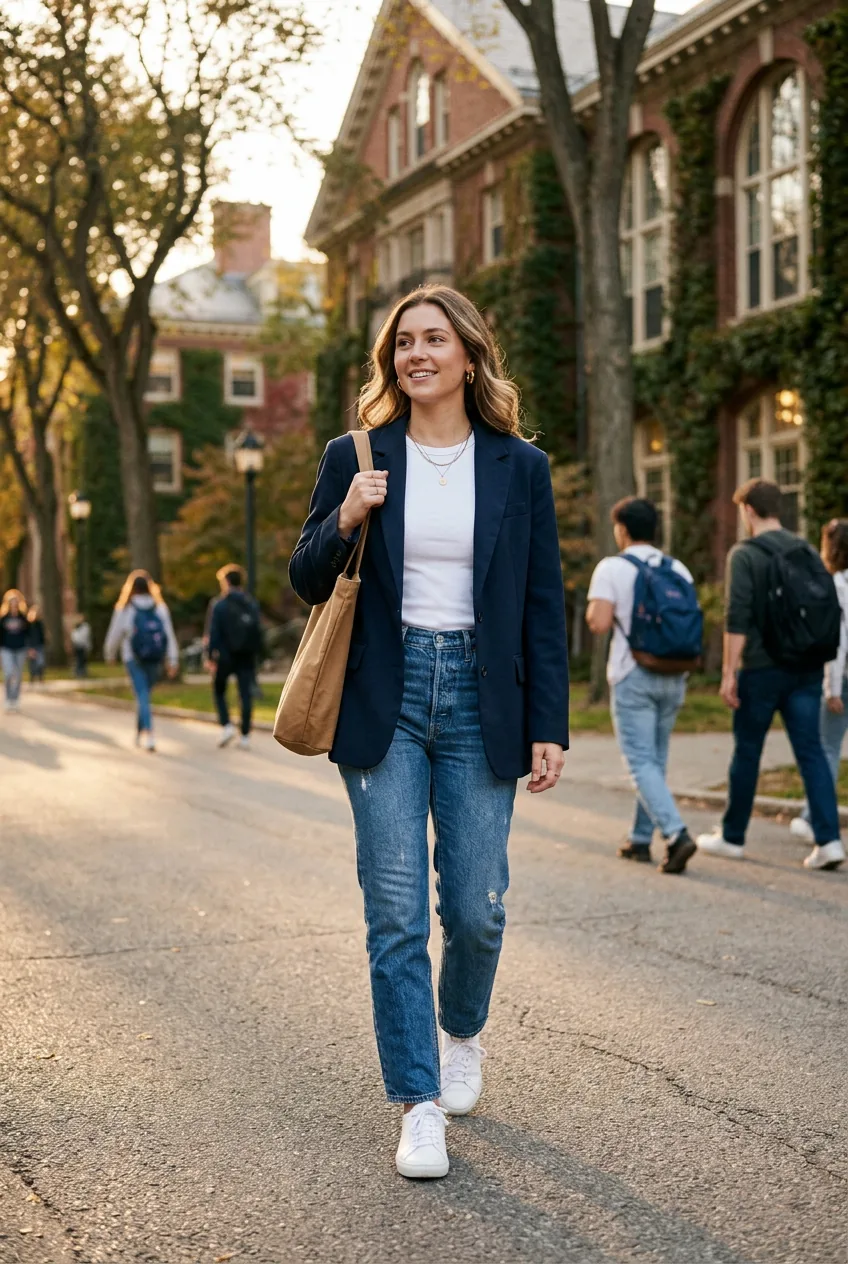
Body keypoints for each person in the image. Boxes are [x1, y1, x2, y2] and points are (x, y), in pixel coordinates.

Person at [289, 284, 568, 1180]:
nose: (416, 354)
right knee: (396, 914)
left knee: (477, 908)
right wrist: (347, 516)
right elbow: (303, 576)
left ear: (469, 354)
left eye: (433, 339)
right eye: (403, 342)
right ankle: (415, 1104)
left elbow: (541, 604)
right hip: (388, 694)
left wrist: (549, 725)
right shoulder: (356, 455)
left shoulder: (519, 467)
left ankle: (463, 1033)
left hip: (484, 697)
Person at [697, 479, 845, 871]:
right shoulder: (805, 549)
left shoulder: (745, 554)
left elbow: (737, 616)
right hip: (806, 668)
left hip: (762, 670)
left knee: (748, 751)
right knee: (811, 752)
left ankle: (732, 837)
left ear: (748, 510)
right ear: (778, 508)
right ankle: (829, 841)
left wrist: (729, 672)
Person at [586, 497, 698, 874]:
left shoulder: (613, 567)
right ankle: (638, 838)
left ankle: (676, 834)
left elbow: (599, 623)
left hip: (633, 673)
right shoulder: (678, 568)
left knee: (639, 762)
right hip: (675, 673)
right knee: (655, 760)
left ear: (622, 529)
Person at [789, 518, 848, 844]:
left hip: (844, 678)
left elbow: (838, 643)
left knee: (826, 748)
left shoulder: (835, 585)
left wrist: (832, 688)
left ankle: (814, 817)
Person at [103, 570, 179, 751]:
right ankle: (142, 731)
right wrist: (173, 659)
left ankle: (148, 733)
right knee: (144, 694)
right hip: (155, 658)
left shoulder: (125, 609)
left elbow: (115, 634)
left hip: (133, 657)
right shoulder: (159, 608)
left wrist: (109, 654)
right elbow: (169, 634)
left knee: (142, 695)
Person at [207, 565, 262, 750]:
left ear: (226, 582)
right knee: (245, 694)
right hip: (246, 655)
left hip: (225, 656)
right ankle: (245, 735)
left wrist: (210, 656)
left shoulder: (219, 605)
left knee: (219, 690)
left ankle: (227, 725)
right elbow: (258, 631)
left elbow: (213, 633)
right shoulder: (251, 603)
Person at [0, 589, 29, 713]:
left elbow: (28, 634)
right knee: (8, 673)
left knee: (18, 675)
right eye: (11, 603)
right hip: (6, 648)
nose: (14, 605)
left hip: (20, 649)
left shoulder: (23, 618)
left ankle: (15, 699)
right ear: (8, 604)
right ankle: (8, 698)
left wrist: (30, 648)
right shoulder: (3, 618)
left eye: (16, 603)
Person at [26, 605, 47, 684]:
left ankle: (41, 678)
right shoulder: (28, 624)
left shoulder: (40, 623)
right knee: (32, 663)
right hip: (32, 646)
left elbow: (42, 635)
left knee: (41, 662)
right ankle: (32, 678)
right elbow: (27, 636)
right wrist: (29, 647)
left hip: (39, 646)